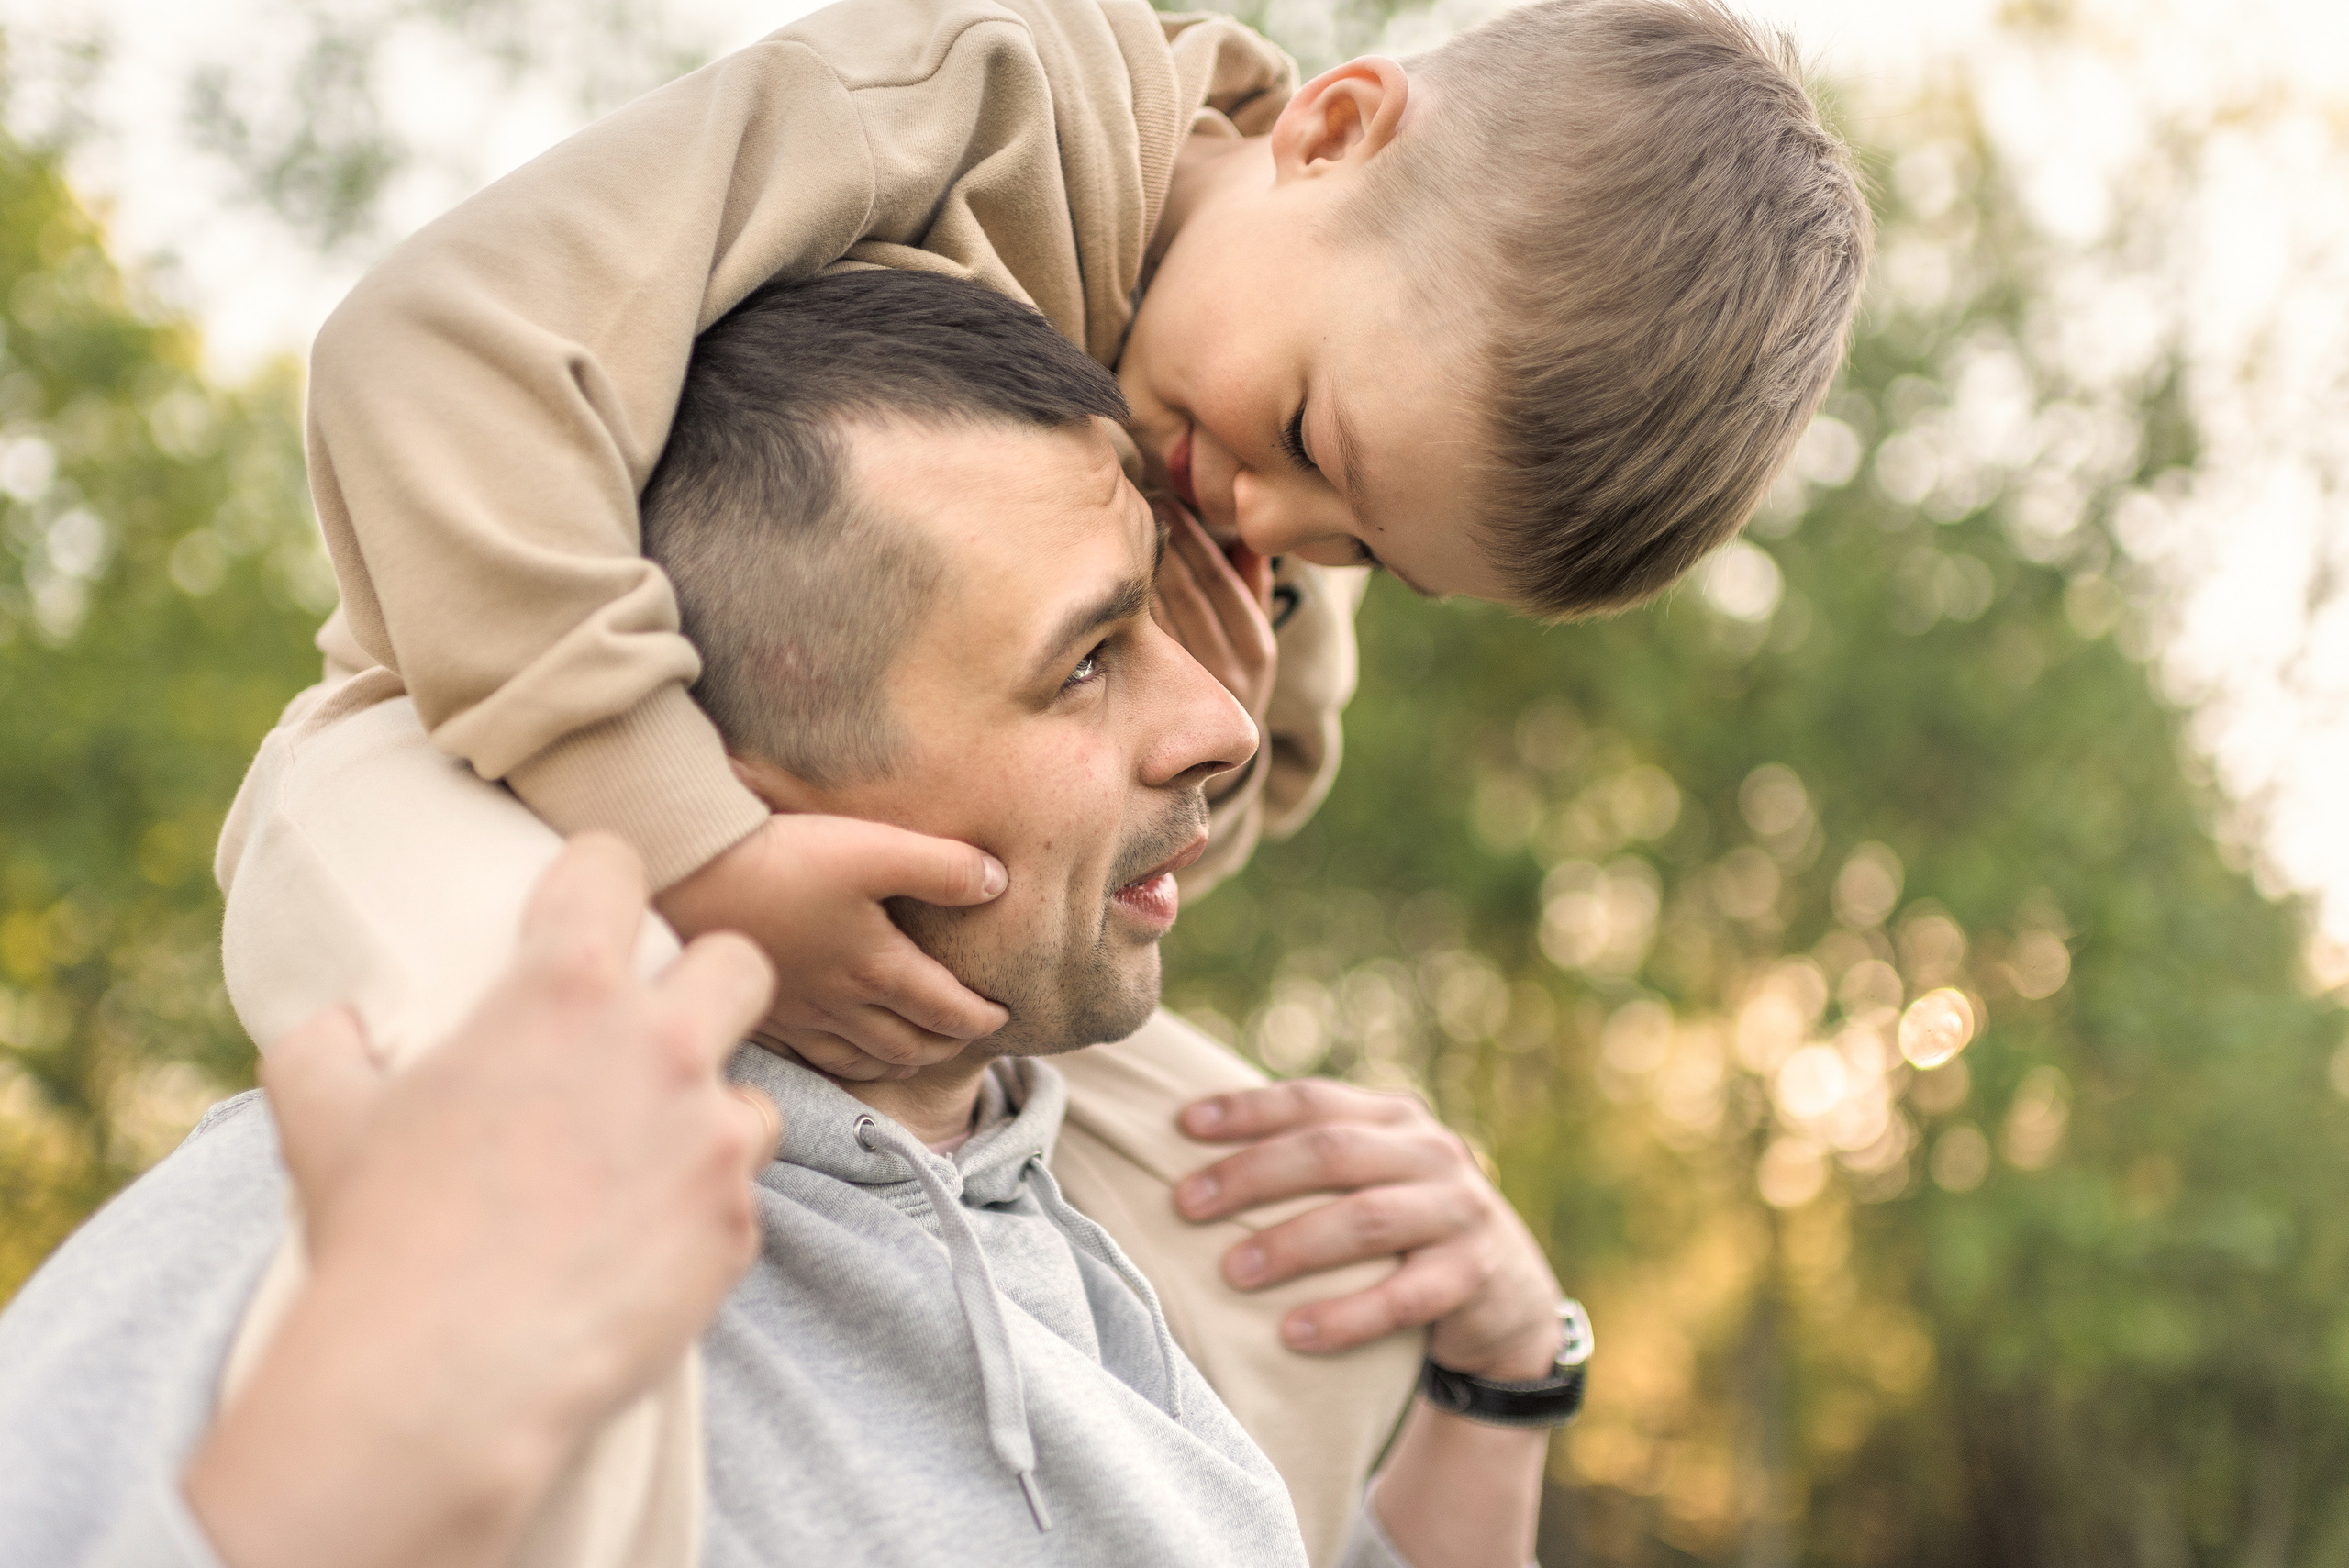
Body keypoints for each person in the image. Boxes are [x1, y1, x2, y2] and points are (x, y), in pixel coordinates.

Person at [211, 0, 1863, 1539]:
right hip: (478, 746)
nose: (1273, 521)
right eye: (1311, 442)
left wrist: (1217, 688)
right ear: (1332, 132)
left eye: (1363, 547)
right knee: (537, 1153)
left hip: (877, 908)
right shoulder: (986, 92)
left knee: (1292, 1244)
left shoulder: (1267, 502)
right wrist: (687, 843)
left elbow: (1152, 856)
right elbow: (443, 348)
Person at [0, 270, 1572, 1568]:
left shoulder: (1141, 1240)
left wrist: (1503, 1380)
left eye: (1165, 606)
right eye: (1087, 660)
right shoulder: (347, 1236)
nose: (1223, 724)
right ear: (727, 786)